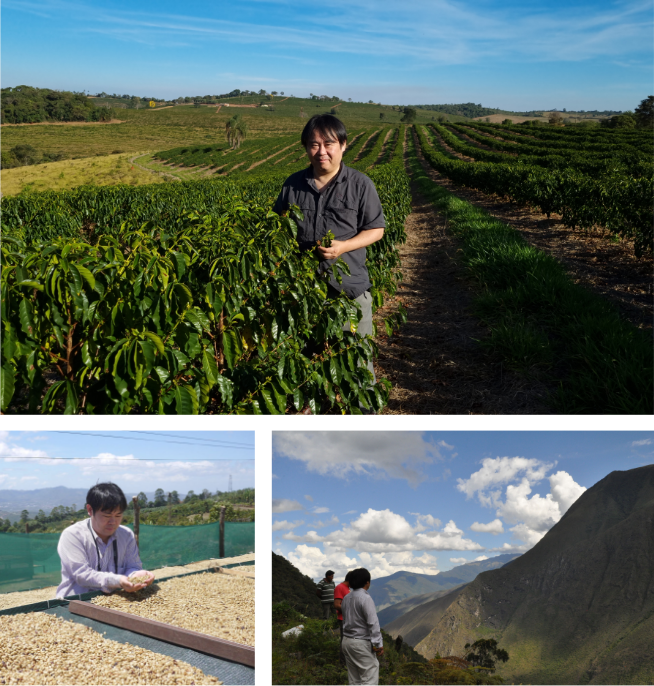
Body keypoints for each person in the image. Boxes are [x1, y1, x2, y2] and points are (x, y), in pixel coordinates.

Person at [272, 114, 386, 415]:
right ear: (305, 148)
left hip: (349, 290)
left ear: (343, 145)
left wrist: (344, 247)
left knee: (357, 360)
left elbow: (377, 229)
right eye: (314, 145)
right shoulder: (293, 185)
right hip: (305, 294)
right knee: (306, 359)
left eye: (329, 144)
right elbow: (277, 228)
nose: (321, 151)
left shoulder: (360, 185)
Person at [56, 482, 155, 599]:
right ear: (90, 510)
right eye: (107, 516)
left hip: (114, 601)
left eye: (118, 515)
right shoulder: (73, 535)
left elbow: (132, 566)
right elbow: (82, 575)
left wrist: (136, 575)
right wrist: (118, 581)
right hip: (75, 602)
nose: (113, 522)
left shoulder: (126, 535)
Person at [341, 567, 383, 686]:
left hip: (346, 641)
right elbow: (373, 623)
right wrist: (378, 644)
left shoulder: (346, 598)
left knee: (354, 679)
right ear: (367, 582)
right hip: (360, 643)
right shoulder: (365, 598)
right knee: (370, 676)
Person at [334, 570, 353, 667]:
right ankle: (342, 664)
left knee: (348, 641)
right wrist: (349, 612)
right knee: (344, 641)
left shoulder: (347, 588)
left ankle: (346, 662)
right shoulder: (340, 587)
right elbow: (337, 605)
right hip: (343, 619)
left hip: (348, 619)